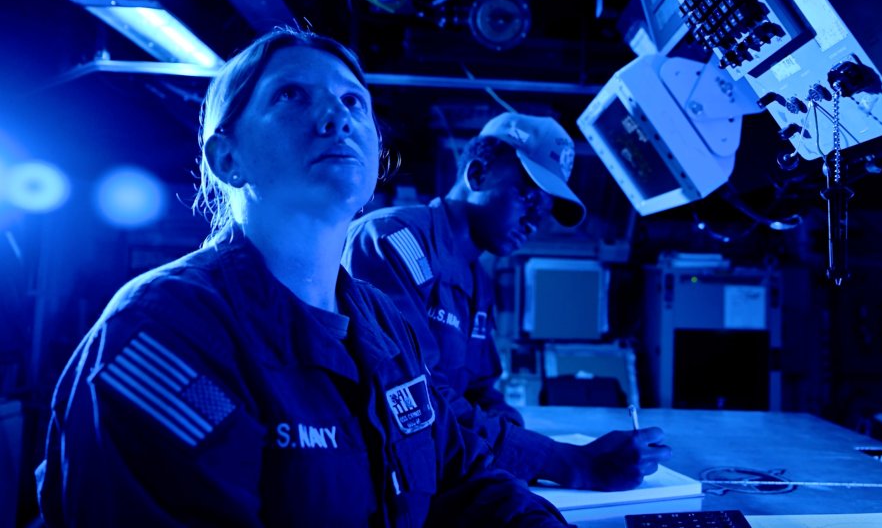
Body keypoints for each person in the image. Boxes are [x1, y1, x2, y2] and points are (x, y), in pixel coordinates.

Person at [35, 28, 570, 527]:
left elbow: (462, 473)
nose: (336, 117)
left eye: (353, 101)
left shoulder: (384, 323)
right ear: (227, 158)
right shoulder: (162, 334)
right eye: (291, 95)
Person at [343, 112, 671, 491]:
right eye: (527, 198)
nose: (533, 222)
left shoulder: (477, 280)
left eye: (543, 212)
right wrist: (572, 463)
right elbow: (416, 400)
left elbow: (481, 389)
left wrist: (515, 443)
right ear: (477, 174)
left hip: (449, 469)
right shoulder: (393, 241)